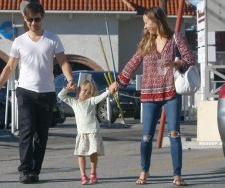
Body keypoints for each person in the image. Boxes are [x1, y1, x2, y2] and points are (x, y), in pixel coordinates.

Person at [109, 7, 196, 186]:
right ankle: (144, 172)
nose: (146, 26)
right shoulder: (146, 42)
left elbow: (190, 59)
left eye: (147, 22)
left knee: (174, 134)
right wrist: (118, 83)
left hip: (171, 92)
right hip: (149, 94)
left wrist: (174, 63)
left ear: (157, 21)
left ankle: (177, 175)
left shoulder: (175, 39)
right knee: (146, 136)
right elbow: (133, 62)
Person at [0, 2, 74, 184]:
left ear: (42, 18)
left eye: (37, 19)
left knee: (41, 135)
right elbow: (10, 66)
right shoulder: (19, 41)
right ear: (25, 20)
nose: (34, 23)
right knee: (27, 130)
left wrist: (69, 78)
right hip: (25, 91)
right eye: (30, 20)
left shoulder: (53, 39)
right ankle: (25, 170)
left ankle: (35, 170)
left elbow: (63, 61)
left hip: (47, 93)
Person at [58, 80, 112, 185]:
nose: (86, 93)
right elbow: (61, 96)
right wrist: (67, 88)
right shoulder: (74, 102)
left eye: (89, 92)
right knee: (81, 154)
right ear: (79, 90)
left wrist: (110, 89)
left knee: (93, 153)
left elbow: (102, 96)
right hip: (82, 133)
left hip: (93, 132)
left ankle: (93, 173)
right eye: (84, 90)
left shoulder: (91, 101)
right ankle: (83, 175)